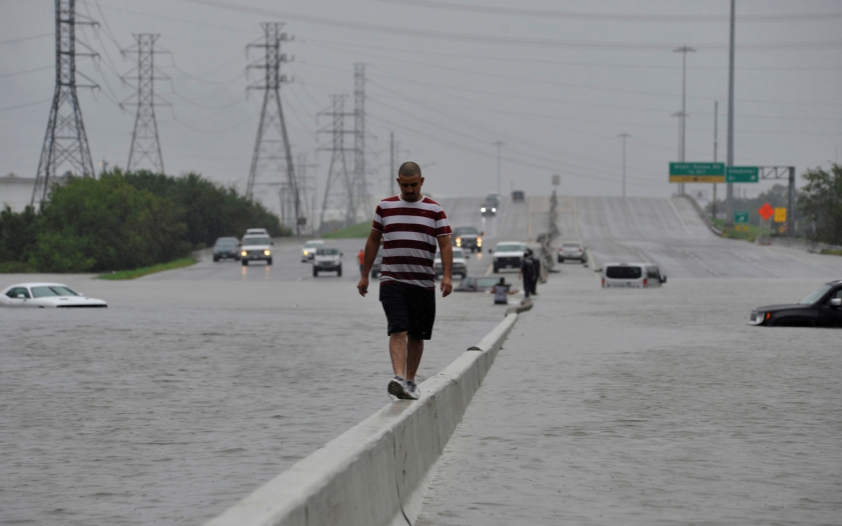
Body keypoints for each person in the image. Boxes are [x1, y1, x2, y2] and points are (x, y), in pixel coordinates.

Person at [357, 161, 453, 401]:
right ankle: (399, 378)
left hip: (423, 283)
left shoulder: (434, 210)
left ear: (421, 182)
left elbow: (445, 244)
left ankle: (410, 381)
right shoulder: (385, 207)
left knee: (417, 335)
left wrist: (448, 276)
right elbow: (372, 241)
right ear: (398, 182)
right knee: (398, 328)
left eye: (413, 185)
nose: (409, 189)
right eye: (405, 185)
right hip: (392, 280)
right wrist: (364, 275)